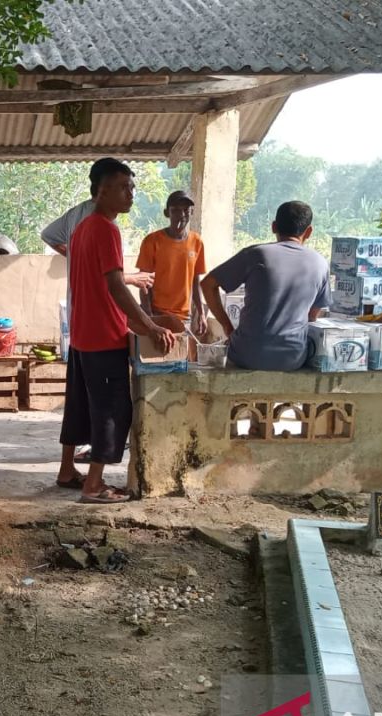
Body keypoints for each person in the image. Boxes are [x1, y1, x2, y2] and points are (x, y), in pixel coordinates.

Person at [57, 160, 175, 504]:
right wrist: (151, 325)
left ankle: (67, 470)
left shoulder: (81, 229)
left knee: (79, 406)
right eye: (124, 187)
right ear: (102, 189)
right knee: (112, 410)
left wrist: (142, 322)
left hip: (82, 336)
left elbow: (100, 284)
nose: (131, 194)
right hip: (102, 338)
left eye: (132, 188)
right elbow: (115, 285)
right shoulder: (106, 229)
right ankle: (93, 486)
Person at [202, 201, 332, 371]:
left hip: (246, 354)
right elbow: (312, 316)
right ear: (308, 232)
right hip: (292, 358)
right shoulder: (320, 264)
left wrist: (227, 326)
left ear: (273, 227)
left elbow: (207, 284)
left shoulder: (256, 254)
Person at [136, 191, 208, 334]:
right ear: (166, 213)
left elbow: (195, 280)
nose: (181, 215)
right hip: (158, 315)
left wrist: (201, 313)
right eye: (175, 210)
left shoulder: (197, 242)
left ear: (191, 212)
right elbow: (143, 283)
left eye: (186, 210)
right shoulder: (152, 241)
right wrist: (150, 319)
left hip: (185, 317)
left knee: (183, 356)